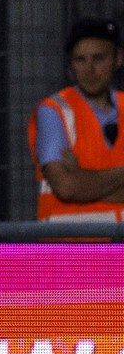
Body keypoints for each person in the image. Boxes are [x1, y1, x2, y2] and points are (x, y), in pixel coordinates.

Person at [28, 17, 124, 222]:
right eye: (80, 60)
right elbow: (67, 187)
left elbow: (75, 186)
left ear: (117, 59)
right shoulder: (54, 111)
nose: (89, 70)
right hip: (71, 250)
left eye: (98, 58)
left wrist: (82, 177)